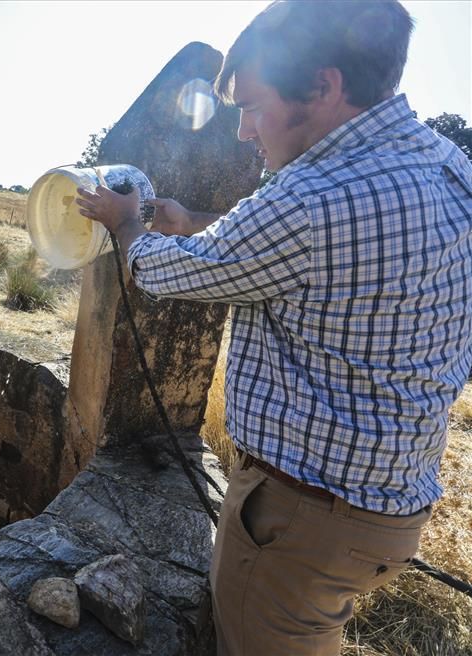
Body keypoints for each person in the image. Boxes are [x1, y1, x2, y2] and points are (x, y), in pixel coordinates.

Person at [75, 1, 472, 654]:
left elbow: (160, 272)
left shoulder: (311, 197)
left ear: (324, 86)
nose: (243, 132)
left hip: (301, 522)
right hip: (392, 510)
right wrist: (198, 221)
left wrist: (128, 224)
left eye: (254, 106)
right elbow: (322, 259)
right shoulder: (449, 166)